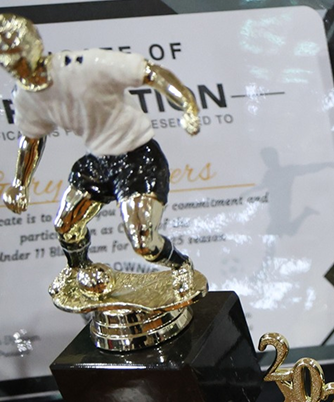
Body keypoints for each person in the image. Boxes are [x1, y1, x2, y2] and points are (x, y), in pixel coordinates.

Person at [0, 14, 200, 273]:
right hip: (98, 161)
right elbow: (31, 137)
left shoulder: (84, 67)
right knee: (66, 228)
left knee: (144, 245)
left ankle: (182, 268)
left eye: (16, 55)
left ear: (34, 46)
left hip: (138, 158)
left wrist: (187, 105)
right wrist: (19, 184)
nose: (13, 65)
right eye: (5, 59)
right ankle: (78, 272)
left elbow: (150, 72)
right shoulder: (25, 97)